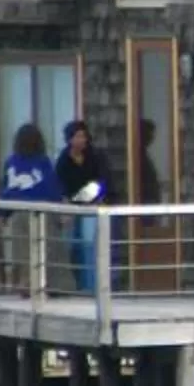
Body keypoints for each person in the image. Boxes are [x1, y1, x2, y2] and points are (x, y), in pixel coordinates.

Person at [55, 119, 113, 295]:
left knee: (89, 245)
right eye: (77, 136)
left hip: (91, 206)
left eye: (83, 136)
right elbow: (59, 184)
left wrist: (91, 199)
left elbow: (102, 180)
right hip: (70, 209)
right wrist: (67, 203)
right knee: (71, 246)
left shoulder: (95, 157)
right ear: (69, 139)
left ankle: (91, 287)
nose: (81, 140)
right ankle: (75, 284)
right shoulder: (63, 159)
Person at [0, 123, 57, 292]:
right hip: (43, 213)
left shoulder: (11, 162)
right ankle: (45, 284)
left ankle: (25, 285)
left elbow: (6, 189)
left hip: (18, 213)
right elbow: (51, 188)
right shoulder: (44, 162)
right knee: (45, 250)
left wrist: (2, 213)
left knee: (21, 253)